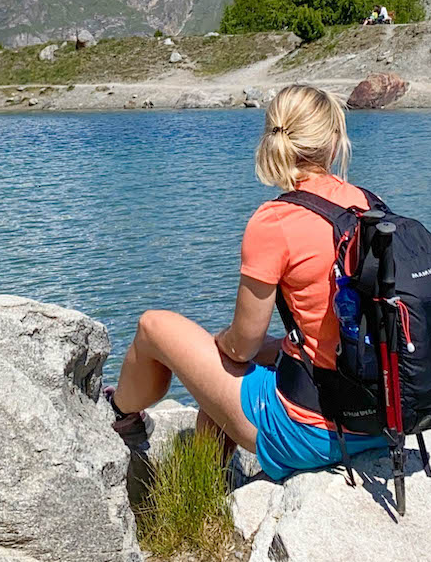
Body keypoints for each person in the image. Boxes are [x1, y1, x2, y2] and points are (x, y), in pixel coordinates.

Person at [105, 83, 395, 481]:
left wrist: (218, 345)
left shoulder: (275, 220)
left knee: (154, 326)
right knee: (259, 356)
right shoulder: (371, 206)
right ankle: (207, 487)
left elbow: (242, 345)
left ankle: (120, 415)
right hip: (383, 419)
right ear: (333, 141)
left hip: (313, 432)